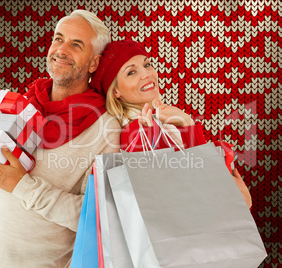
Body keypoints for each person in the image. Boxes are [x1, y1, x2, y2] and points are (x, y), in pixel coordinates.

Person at [0, 10, 121, 267]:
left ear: (93, 63)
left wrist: (22, 185)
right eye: (58, 39)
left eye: (76, 44)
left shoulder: (105, 129)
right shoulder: (21, 105)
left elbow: (94, 217)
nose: (61, 50)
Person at [90, 39, 252, 208]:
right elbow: (162, 192)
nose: (146, 74)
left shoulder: (167, 121)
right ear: (115, 90)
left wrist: (188, 124)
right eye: (131, 72)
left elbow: (203, 175)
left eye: (147, 64)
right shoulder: (134, 131)